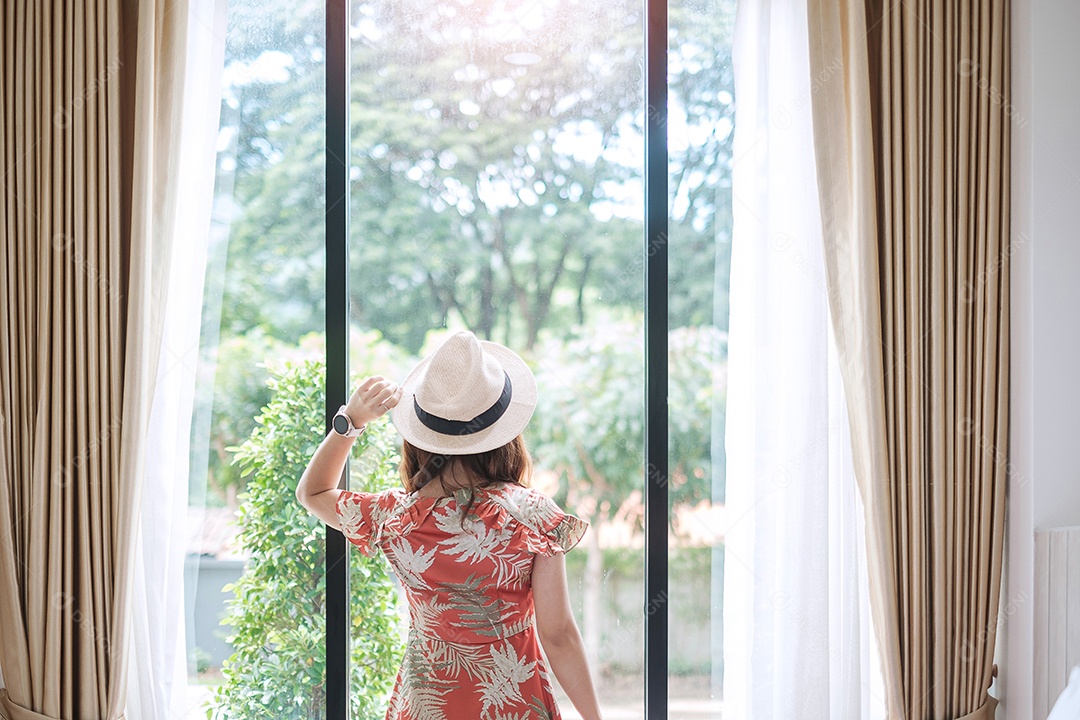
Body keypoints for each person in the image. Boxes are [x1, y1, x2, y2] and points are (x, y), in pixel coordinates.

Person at [296, 330, 603, 720]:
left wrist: (351, 422)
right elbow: (558, 635)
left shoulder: (394, 516)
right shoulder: (532, 516)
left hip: (426, 705)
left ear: (420, 437)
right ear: (504, 435)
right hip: (513, 704)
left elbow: (313, 492)